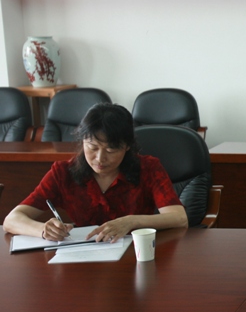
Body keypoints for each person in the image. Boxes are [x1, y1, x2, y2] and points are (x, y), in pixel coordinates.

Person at [3, 103, 188, 243]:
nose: (100, 158)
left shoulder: (148, 168)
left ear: (127, 147)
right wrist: (44, 230)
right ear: (82, 141)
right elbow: (12, 220)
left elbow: (179, 218)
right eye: (92, 147)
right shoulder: (63, 173)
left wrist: (131, 222)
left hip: (135, 255)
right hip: (84, 259)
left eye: (111, 150)